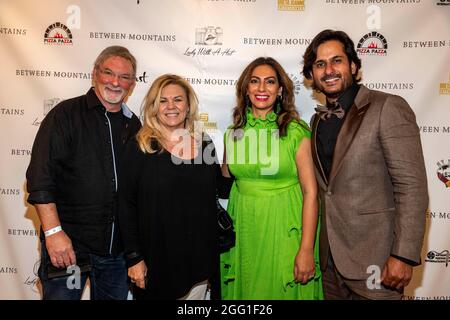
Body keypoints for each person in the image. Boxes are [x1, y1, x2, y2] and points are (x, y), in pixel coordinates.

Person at [302, 29, 428, 300]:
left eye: (337, 60)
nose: (329, 70)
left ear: (354, 66)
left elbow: (412, 186)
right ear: (312, 74)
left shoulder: (387, 107)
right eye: (320, 64)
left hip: (378, 262)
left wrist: (403, 255)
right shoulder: (315, 123)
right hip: (330, 265)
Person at [26, 46, 142, 300]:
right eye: (109, 73)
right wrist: (53, 233)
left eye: (124, 77)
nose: (115, 82)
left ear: (133, 83)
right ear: (95, 73)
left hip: (116, 254)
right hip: (69, 248)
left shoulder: (134, 125)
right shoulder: (65, 115)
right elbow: (40, 178)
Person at [118, 74, 232, 300]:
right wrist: (134, 259)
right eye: (163, 100)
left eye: (178, 100)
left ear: (188, 106)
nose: (171, 106)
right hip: (155, 264)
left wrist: (232, 150)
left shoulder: (204, 143)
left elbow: (221, 189)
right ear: (153, 107)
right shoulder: (139, 147)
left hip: (198, 264)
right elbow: (125, 207)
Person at [220, 57, 323, 299]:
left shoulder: (296, 132)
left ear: (280, 91)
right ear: (246, 89)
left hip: (284, 226)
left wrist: (306, 249)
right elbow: (223, 179)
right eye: (254, 82)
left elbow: (311, 192)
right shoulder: (233, 134)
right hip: (245, 229)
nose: (262, 88)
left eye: (270, 82)